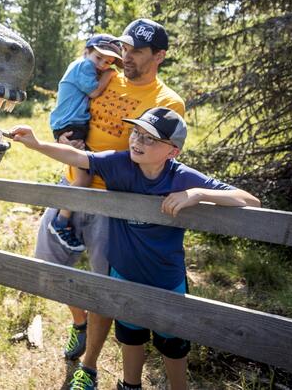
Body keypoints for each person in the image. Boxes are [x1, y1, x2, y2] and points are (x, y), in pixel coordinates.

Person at [12, 108, 259, 390]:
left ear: (173, 151)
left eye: (150, 139)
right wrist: (37, 144)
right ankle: (130, 385)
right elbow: (79, 157)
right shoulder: (120, 164)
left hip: (166, 281)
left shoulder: (181, 177)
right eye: (136, 133)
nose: (137, 142)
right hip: (124, 274)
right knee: (130, 337)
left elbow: (249, 201)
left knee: (172, 345)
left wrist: (197, 194)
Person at [34, 18, 185, 368]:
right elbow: (71, 108)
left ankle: (88, 366)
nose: (126, 56)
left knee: (104, 287)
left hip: (114, 203)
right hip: (71, 184)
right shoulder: (107, 77)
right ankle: (79, 323)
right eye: (126, 48)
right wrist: (62, 138)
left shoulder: (167, 102)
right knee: (49, 265)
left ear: (159, 56)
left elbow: (158, 160)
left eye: (138, 51)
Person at [47, 34, 122, 253]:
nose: (103, 64)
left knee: (83, 173)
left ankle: (64, 219)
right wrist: (109, 75)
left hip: (69, 125)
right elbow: (95, 91)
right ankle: (60, 221)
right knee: (84, 176)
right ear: (86, 52)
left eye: (108, 62)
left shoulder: (82, 66)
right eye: (99, 57)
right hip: (72, 125)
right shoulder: (83, 67)